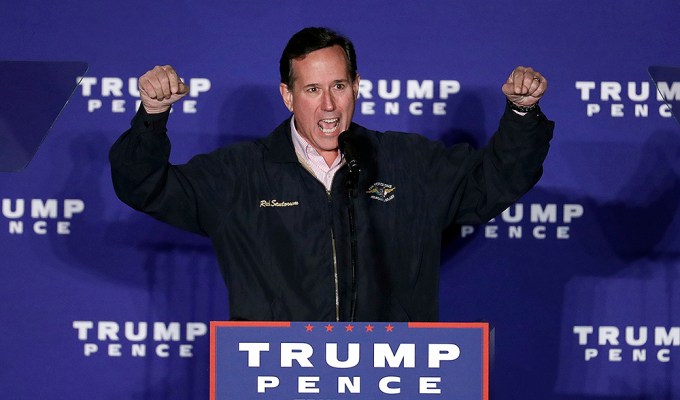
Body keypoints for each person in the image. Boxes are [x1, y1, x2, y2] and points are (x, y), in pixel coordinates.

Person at [109, 27, 554, 322]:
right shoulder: (240, 175)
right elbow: (143, 184)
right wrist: (152, 115)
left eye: (339, 87)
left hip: (392, 379)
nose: (328, 106)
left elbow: (497, 179)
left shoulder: (406, 163)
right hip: (276, 381)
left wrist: (521, 114)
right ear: (287, 95)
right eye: (312, 89)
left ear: (356, 86)